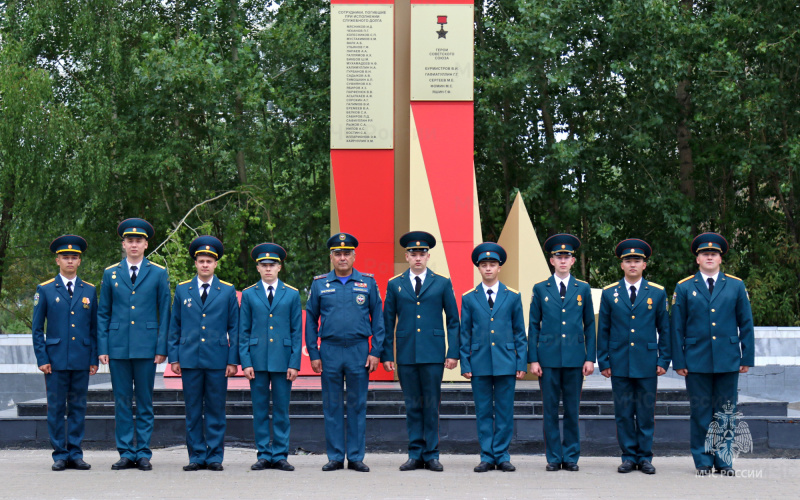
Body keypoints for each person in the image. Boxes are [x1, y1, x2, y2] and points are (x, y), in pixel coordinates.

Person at [671, 232, 754, 476]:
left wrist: (746, 357)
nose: (709, 257)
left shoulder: (736, 285)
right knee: (700, 412)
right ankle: (703, 461)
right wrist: (679, 360)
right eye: (705, 254)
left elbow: (746, 323)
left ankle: (725, 460)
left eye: (714, 254)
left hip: (728, 359)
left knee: (726, 412)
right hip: (696, 360)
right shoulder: (685, 287)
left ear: (720, 259)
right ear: (697, 259)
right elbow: (677, 326)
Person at [305, 233, 385, 472]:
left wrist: (376, 351)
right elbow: (310, 320)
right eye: (337, 253)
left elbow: (378, 319)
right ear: (331, 257)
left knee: (357, 404)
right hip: (329, 350)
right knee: (331, 405)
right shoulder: (320, 284)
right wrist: (314, 353)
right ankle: (336, 456)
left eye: (346, 253)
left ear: (354, 256)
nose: (342, 257)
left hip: (359, 351)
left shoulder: (367, 283)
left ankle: (357, 456)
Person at [381, 231, 460, 472]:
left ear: (428, 256)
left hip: (434, 353)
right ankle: (415, 453)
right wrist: (387, 354)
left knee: (431, 404)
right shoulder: (395, 284)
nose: (418, 257)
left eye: (422, 253)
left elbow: (454, 321)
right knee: (413, 404)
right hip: (406, 354)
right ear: (406, 256)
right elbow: (387, 321)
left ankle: (432, 454)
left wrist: (453, 352)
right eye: (413, 253)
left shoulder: (442, 282)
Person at [97, 218, 171, 471]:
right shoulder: (110, 273)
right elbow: (103, 313)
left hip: (147, 347)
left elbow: (165, 312)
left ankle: (143, 452)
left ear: (146, 244)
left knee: (145, 400)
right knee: (121, 400)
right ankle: (126, 451)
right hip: (117, 347)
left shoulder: (159, 273)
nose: (134, 245)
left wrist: (162, 348)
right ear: (124, 244)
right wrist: (103, 347)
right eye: (130, 240)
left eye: (138, 240)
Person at [597, 238, 670, 474]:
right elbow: (604, 330)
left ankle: (645, 457)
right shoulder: (610, 293)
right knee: (624, 412)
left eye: (637, 261)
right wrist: (604, 361)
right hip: (619, 362)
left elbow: (664, 329)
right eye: (628, 261)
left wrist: (663, 360)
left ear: (644, 265)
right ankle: (628, 456)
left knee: (646, 413)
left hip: (647, 363)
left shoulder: (657, 293)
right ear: (621, 265)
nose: (632, 264)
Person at [168, 236, 239, 472]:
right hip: (189, 358)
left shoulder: (227, 291)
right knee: (193, 410)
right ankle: (196, 455)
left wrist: (233, 360)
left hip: (218, 359)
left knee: (216, 409)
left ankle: (215, 456)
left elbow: (234, 328)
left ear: (216, 264)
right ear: (195, 263)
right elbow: (174, 325)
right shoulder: (182, 289)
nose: (205, 265)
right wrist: (174, 357)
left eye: (209, 261)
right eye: (201, 261)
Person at [528, 233, 595, 472]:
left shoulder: (582, 289)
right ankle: (553, 457)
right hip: (547, 360)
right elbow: (533, 325)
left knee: (572, 410)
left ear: (573, 261)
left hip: (576, 359)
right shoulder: (540, 288)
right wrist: (533, 359)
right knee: (549, 410)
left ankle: (571, 457)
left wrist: (590, 358)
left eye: (567, 257)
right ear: (552, 261)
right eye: (559, 256)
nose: (563, 260)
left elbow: (590, 325)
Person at [32, 235, 98, 471]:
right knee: (57, 408)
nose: (70, 261)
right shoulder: (46, 289)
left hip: (81, 359)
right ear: (57, 260)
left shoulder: (89, 289)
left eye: (74, 257)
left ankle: (76, 453)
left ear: (79, 261)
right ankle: (60, 454)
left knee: (79, 407)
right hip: (55, 360)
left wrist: (93, 358)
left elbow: (93, 329)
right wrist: (42, 358)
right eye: (65, 257)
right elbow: (37, 329)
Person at [459, 242, 527, 473]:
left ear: (499, 268)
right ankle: (487, 456)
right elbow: (464, 332)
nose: (488, 268)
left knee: (505, 411)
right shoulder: (469, 298)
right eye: (484, 265)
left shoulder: (512, 296)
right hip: (479, 362)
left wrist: (521, 362)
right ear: (479, 268)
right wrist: (465, 363)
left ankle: (503, 455)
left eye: (493, 264)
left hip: (506, 361)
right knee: (484, 411)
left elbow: (520, 332)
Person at [239, 243, 302, 472]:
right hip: (257, 361)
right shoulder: (248, 294)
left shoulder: (292, 294)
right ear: (258, 268)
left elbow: (297, 331)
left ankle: (280, 454)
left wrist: (295, 363)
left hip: (283, 360)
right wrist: (245, 362)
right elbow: (243, 331)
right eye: (264, 265)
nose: (268, 269)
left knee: (282, 410)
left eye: (272, 265)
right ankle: (264, 453)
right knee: (260, 409)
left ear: (279, 267)